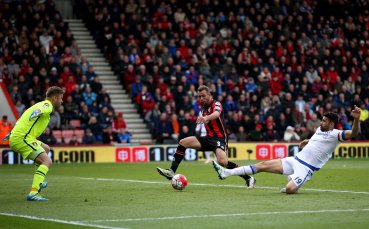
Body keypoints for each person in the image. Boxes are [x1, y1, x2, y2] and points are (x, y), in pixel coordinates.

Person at [212, 106, 361, 194]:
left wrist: (356, 119)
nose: (321, 122)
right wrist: (308, 140)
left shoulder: (336, 134)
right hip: (295, 160)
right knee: (262, 165)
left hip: (306, 168)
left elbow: (353, 133)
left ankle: (293, 180)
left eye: (324, 121)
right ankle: (227, 172)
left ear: (332, 124)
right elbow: (319, 139)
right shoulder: (319, 129)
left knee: (289, 190)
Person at [157, 85, 256, 188]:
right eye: (199, 96)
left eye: (203, 96)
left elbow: (217, 114)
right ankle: (171, 171)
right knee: (183, 142)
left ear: (209, 95)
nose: (201, 98)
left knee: (223, 162)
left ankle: (249, 178)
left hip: (219, 138)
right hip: (208, 138)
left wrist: (205, 118)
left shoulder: (216, 104)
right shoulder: (203, 109)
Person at [5, 86, 64, 201]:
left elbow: (24, 116)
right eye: (61, 98)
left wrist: (12, 132)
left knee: (46, 148)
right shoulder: (47, 106)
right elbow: (38, 111)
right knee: (47, 161)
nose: (62, 101)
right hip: (23, 137)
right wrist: (35, 114)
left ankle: (39, 182)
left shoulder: (38, 104)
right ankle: (34, 192)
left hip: (24, 136)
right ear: (54, 98)